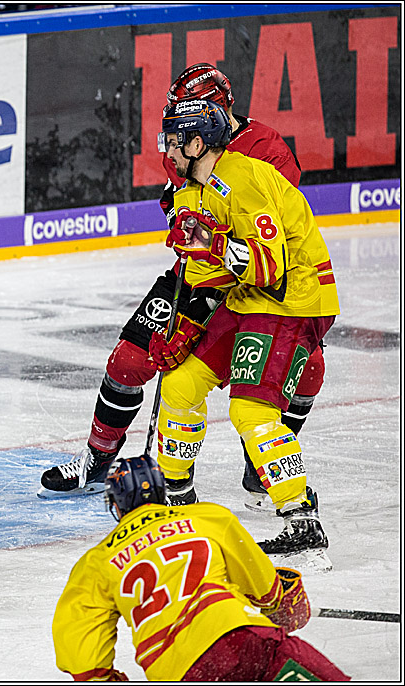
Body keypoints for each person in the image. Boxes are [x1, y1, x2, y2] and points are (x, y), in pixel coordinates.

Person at [38, 63, 325, 511]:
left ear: (212, 114)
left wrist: (208, 266)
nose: (172, 133)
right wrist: (182, 222)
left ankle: (265, 467)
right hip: (199, 271)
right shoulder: (184, 139)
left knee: (307, 368)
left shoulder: (266, 151)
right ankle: (98, 462)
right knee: (129, 359)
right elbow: (181, 204)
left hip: (258, 283)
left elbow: (268, 236)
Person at [150, 98, 338, 565]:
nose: (166, 150)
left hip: (292, 299)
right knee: (179, 384)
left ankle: (302, 523)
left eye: (174, 141)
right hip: (246, 300)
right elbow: (203, 275)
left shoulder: (244, 177)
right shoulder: (191, 192)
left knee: (250, 411)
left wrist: (213, 243)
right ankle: (179, 504)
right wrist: (185, 323)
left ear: (197, 143)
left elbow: (269, 267)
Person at [52, 455, 349, 681]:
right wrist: (286, 603)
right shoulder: (208, 518)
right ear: (162, 491)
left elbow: (80, 654)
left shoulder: (96, 562)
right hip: (243, 642)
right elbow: (268, 592)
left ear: (115, 506)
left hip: (174, 673)